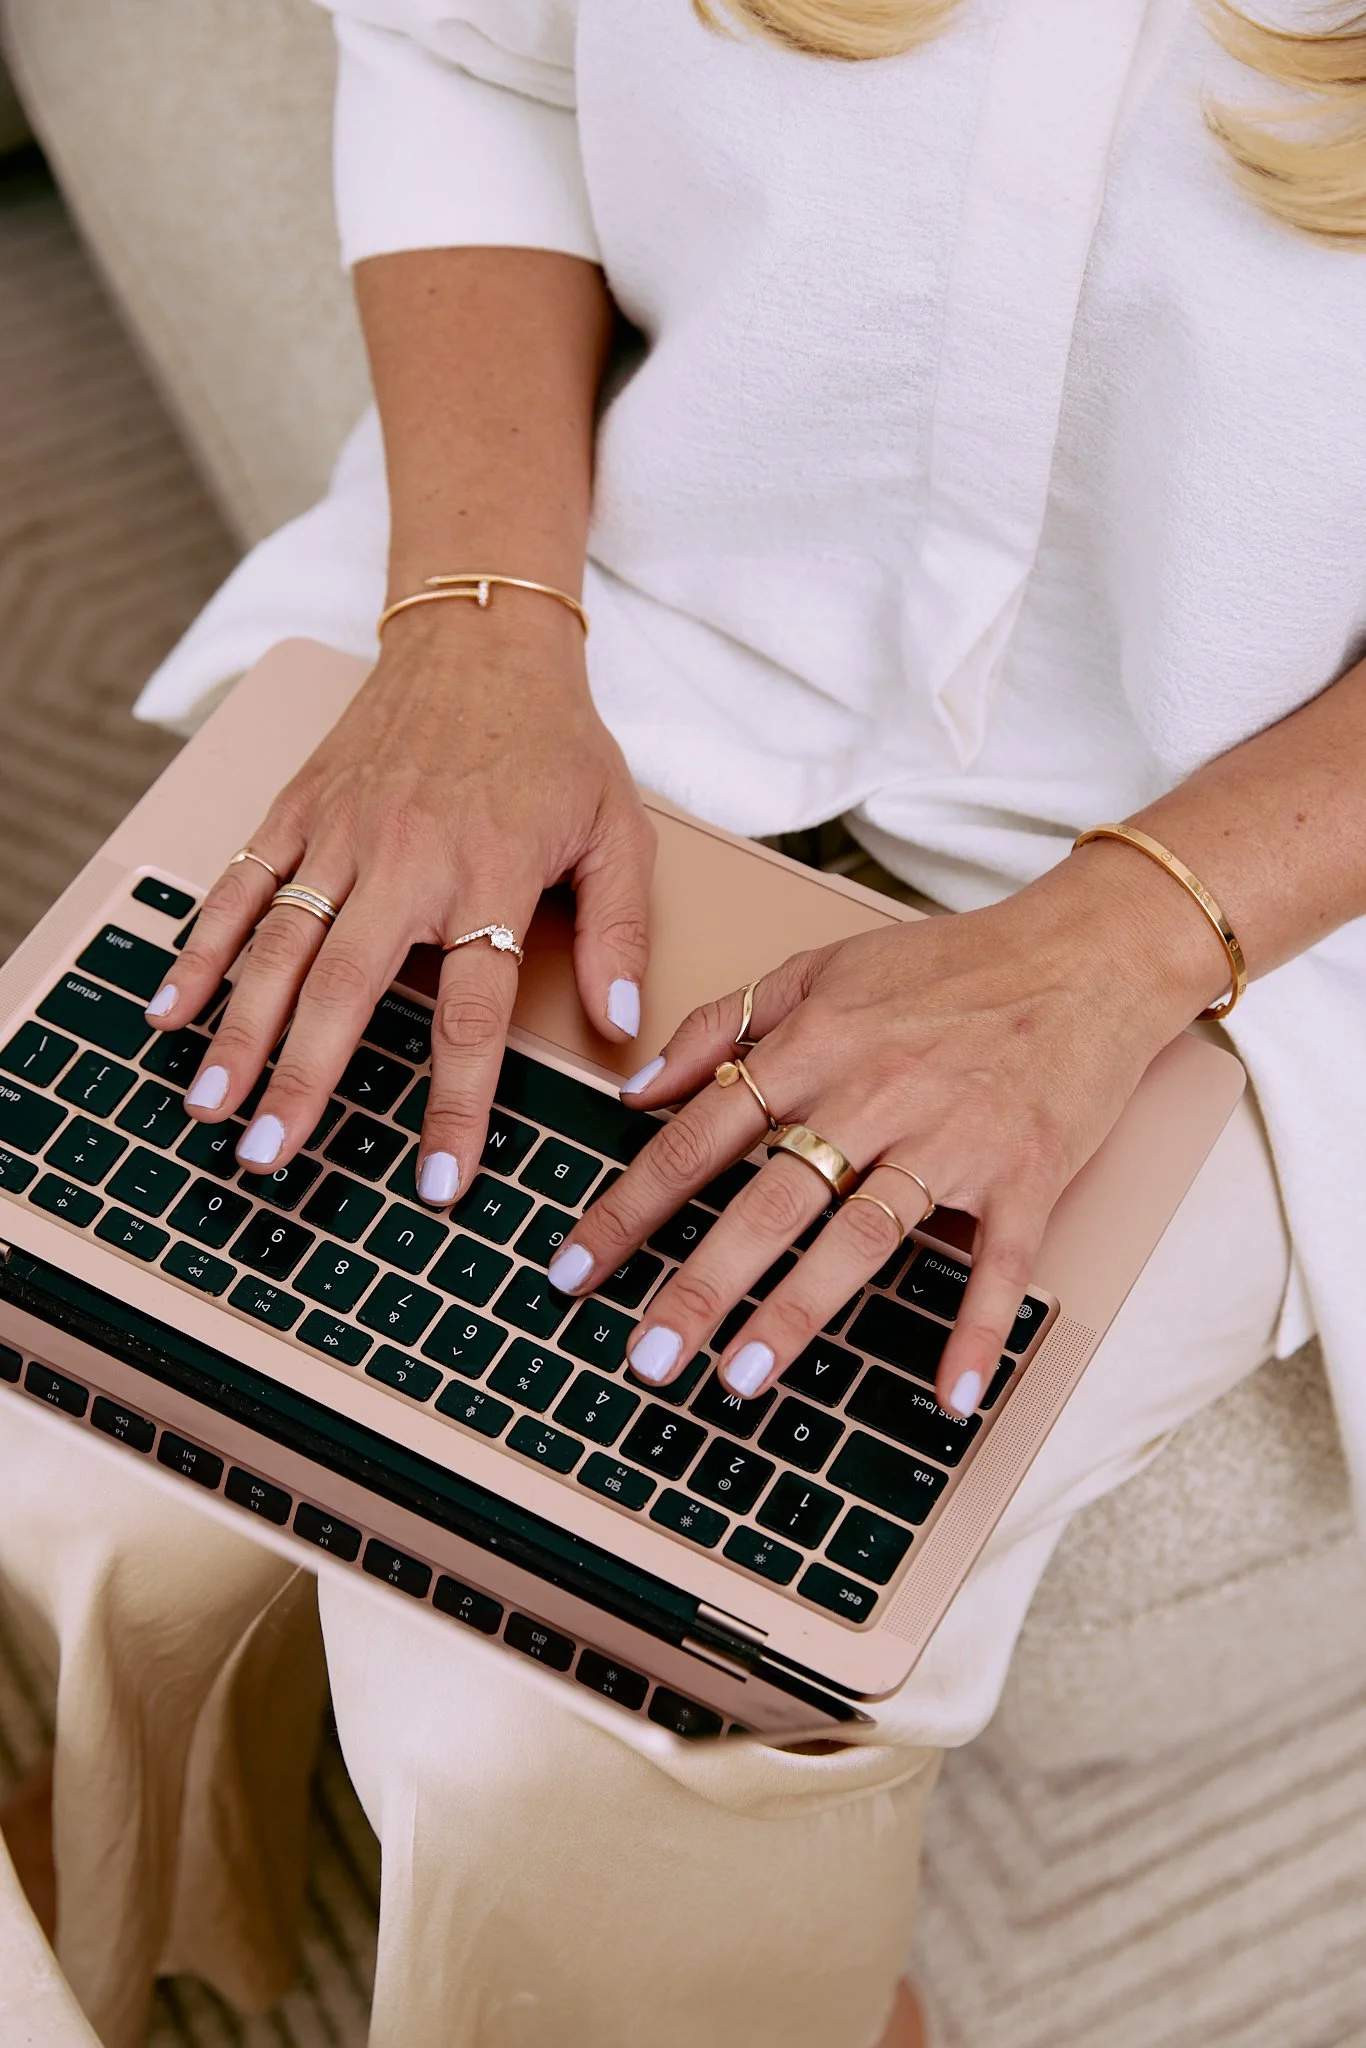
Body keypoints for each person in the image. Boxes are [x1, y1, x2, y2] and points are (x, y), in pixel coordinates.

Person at [10, 0, 1366, 2042]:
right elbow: (475, 54)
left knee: (574, 1697)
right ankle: (156, 1863)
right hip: (640, 622)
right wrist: (472, 622)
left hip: (1259, 893)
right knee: (76, 1368)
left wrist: (1114, 943)